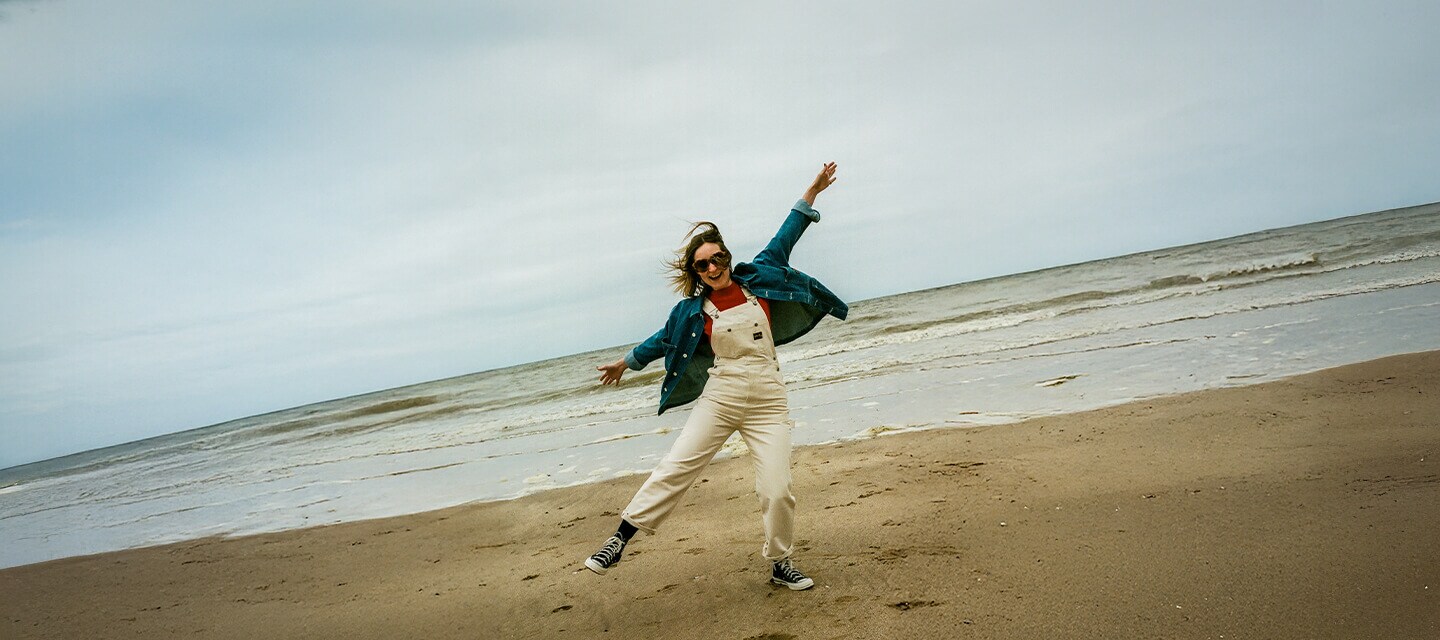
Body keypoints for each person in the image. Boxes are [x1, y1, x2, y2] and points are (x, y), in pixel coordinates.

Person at [584, 162, 848, 591]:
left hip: (768, 399)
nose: (712, 267)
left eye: (717, 258)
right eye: (703, 264)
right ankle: (620, 538)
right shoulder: (691, 311)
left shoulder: (759, 274)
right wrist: (625, 363)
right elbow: (661, 340)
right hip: (721, 397)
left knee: (777, 490)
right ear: (696, 272)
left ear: (727, 256)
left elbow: (787, 233)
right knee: (677, 467)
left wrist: (812, 193)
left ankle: (780, 563)